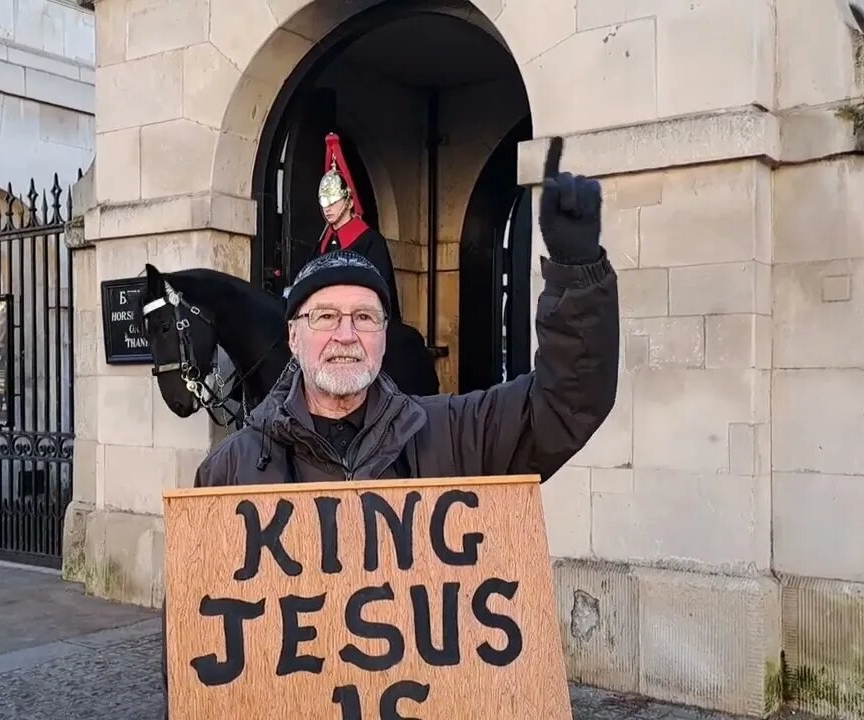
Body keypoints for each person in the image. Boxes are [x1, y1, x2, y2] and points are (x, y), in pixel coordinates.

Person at [159, 137, 619, 714]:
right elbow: (196, 648)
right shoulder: (229, 470)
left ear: (384, 334)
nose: (345, 334)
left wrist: (577, 275)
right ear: (294, 336)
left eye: (364, 317)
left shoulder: (455, 434)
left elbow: (565, 403)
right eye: (325, 316)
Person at [303, 132, 403, 321]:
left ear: (349, 202)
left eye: (334, 202)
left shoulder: (371, 242)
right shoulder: (321, 246)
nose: (327, 208)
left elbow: (379, 294)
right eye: (324, 202)